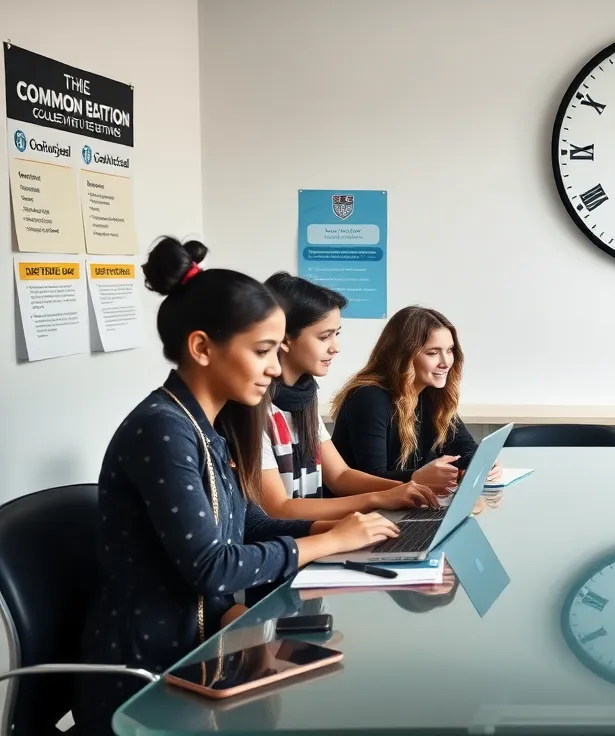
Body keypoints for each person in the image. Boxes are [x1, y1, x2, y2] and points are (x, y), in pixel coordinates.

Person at [76, 238, 399, 735]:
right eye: (263, 351)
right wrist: (327, 542)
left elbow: (245, 521)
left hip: (206, 650)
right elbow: (211, 567)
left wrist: (342, 527)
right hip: (146, 678)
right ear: (202, 347)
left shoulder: (205, 424)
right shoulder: (163, 428)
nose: (275, 368)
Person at [258, 273, 458, 521]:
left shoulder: (304, 396)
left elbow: (340, 476)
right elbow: (279, 509)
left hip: (313, 532)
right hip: (289, 544)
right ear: (284, 338)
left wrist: (409, 489)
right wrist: (381, 496)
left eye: (336, 334)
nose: (335, 347)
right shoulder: (255, 408)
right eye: (324, 336)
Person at [331, 306, 501, 484]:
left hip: (406, 503)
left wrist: (483, 462)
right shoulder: (368, 398)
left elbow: (465, 448)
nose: (446, 362)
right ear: (403, 356)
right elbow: (372, 479)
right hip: (365, 508)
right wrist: (420, 477)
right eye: (433, 353)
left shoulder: (432, 394)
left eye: (450, 350)